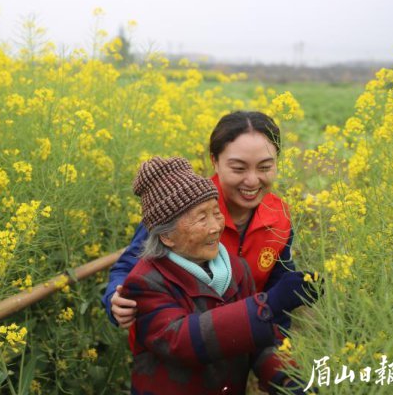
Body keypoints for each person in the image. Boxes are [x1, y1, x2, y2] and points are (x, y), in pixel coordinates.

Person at [123, 156, 319, 394]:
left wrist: (286, 378)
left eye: (216, 213)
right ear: (167, 236)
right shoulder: (145, 281)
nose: (216, 226)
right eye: (202, 218)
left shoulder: (237, 269)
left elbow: (259, 340)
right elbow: (182, 340)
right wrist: (267, 305)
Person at [103, 111, 301, 331]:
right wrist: (116, 296)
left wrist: (275, 347)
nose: (252, 180)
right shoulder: (180, 205)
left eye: (265, 167)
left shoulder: (281, 215)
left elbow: (278, 281)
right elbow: (129, 264)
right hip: (177, 343)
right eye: (238, 168)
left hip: (243, 340)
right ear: (214, 161)